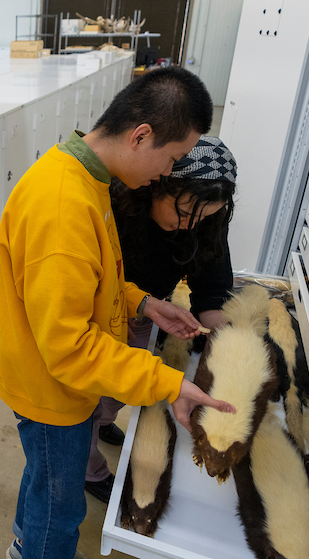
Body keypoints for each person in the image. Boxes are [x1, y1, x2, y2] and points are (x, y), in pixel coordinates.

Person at [0, 66, 235, 559]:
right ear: (141, 135)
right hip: (52, 386)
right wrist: (169, 382)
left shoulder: (83, 179)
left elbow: (89, 281)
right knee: (63, 495)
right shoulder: (62, 206)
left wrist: (145, 304)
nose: (168, 175)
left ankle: (31, 550)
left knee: (44, 476)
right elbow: (70, 348)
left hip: (43, 375)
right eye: (171, 161)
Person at [85, 136, 238, 502]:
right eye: (183, 213)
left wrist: (230, 344)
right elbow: (95, 282)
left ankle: (104, 422)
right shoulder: (116, 206)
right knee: (88, 400)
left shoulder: (202, 219)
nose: (191, 225)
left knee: (117, 395)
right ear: (157, 185)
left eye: (205, 217)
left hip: (146, 312)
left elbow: (212, 287)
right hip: (99, 313)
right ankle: (89, 469)